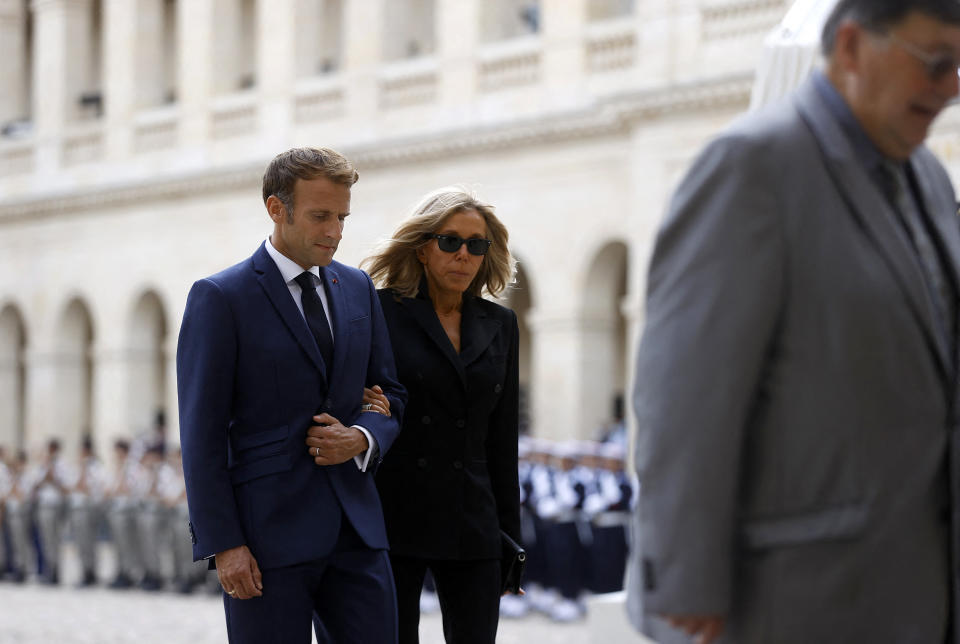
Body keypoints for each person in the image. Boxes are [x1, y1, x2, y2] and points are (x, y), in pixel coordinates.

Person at [629, 1, 960, 643]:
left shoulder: (929, 177)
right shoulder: (751, 166)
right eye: (936, 62)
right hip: (798, 598)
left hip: (917, 587)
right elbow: (685, 400)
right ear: (852, 47)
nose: (951, 88)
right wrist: (686, 583)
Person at [177, 146, 406, 644]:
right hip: (264, 542)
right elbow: (201, 436)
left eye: (342, 217)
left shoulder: (358, 288)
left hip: (357, 532)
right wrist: (225, 544)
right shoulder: (221, 297)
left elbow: (391, 393)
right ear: (276, 209)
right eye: (320, 216)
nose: (335, 232)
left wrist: (364, 436)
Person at [363, 186, 520, 644]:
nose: (464, 255)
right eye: (451, 241)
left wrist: (510, 538)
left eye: (477, 244)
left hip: (473, 519)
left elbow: (501, 438)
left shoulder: (500, 324)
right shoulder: (381, 312)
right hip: (396, 511)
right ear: (423, 247)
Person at [66, 435, 107, 587]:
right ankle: (84, 570)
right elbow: (72, 486)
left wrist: (84, 472)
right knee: (80, 542)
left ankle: (91, 571)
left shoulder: (97, 468)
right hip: (77, 508)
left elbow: (91, 488)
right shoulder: (75, 467)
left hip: (89, 508)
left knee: (90, 541)